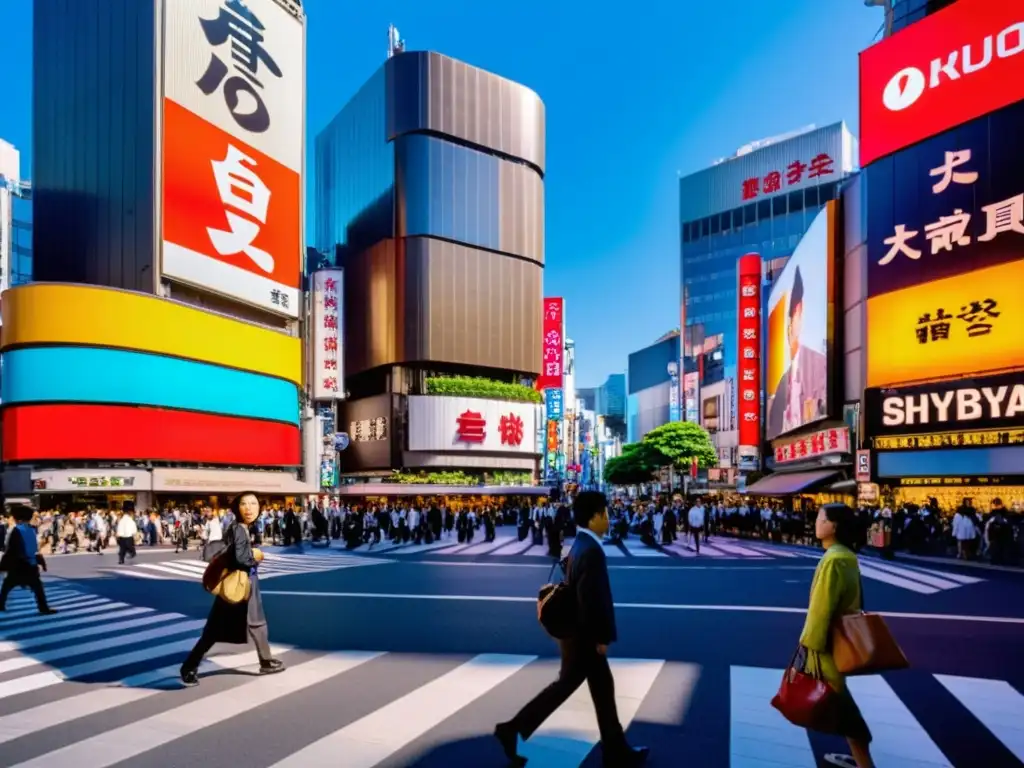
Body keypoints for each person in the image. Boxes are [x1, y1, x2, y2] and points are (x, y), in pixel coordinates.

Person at [495, 491, 648, 767]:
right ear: (595, 517)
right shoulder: (590, 551)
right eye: (606, 513)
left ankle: (615, 750)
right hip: (584, 637)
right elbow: (592, 599)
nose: (609, 519)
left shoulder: (579, 544)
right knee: (575, 686)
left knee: (598, 688)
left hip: (576, 633)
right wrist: (601, 638)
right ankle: (512, 729)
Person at [179, 492, 285, 686]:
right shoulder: (238, 528)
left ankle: (266, 660)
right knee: (217, 629)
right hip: (238, 584)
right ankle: (189, 666)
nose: (249, 508)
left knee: (255, 623)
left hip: (244, 583)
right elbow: (241, 559)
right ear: (237, 508)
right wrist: (256, 556)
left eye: (253, 504)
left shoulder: (241, 528)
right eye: (244, 504)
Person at [798, 503, 874, 768]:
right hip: (840, 639)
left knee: (845, 710)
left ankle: (865, 764)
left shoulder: (834, 559)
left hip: (828, 644)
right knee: (843, 709)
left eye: (821, 517)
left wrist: (809, 645)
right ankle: (861, 760)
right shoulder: (845, 555)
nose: (816, 521)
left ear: (833, 526)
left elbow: (821, 609)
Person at [766, 267, 827, 438]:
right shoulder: (783, 383)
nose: (785, 329)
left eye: (787, 318)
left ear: (798, 312)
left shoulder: (820, 367)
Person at [0, 505, 57, 614]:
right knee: (37, 587)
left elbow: (12, 548)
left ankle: (1, 604)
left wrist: (5, 564)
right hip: (31, 563)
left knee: (7, 585)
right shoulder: (31, 529)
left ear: (16, 518)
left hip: (19, 563)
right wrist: (39, 559)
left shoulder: (16, 530)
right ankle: (43, 608)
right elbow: (33, 547)